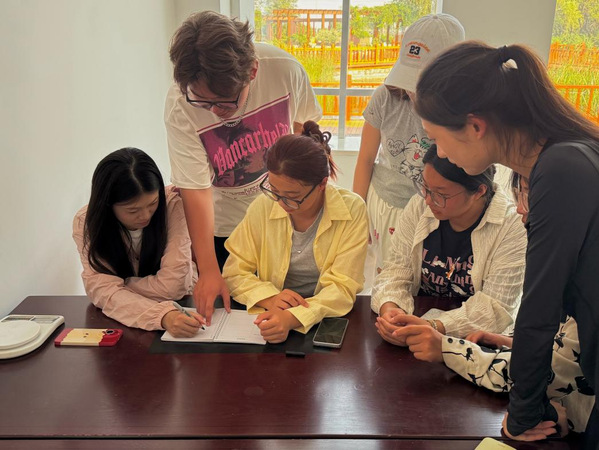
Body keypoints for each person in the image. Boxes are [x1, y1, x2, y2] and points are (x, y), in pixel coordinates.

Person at [414, 41, 599, 444]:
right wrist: (517, 346)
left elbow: (541, 302)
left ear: (475, 126)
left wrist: (523, 415)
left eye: (437, 138)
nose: (439, 152)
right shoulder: (552, 162)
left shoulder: (562, 168)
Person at [392, 174, 594, 437]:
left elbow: (534, 373)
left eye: (527, 195)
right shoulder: (573, 256)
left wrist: (445, 348)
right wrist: (512, 343)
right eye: (519, 193)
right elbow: (561, 344)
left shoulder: (586, 281)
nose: (520, 208)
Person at [165, 11, 322, 325]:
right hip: (226, 230)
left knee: (291, 313)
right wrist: (208, 270)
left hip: (284, 218)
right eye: (203, 102)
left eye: (224, 102)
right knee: (237, 321)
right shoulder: (180, 105)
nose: (215, 112)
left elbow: (304, 131)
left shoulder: (284, 70)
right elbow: (195, 190)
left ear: (252, 71)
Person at [222, 121, 368, 343]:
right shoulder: (263, 206)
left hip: (326, 319)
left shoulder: (352, 209)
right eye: (274, 190)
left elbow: (343, 286)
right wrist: (270, 298)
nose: (281, 203)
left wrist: (294, 317)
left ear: (322, 184)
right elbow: (234, 273)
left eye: (292, 196)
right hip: (273, 315)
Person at [371, 144, 527, 344]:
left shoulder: (511, 225)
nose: (428, 200)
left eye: (441, 195)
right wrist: (391, 309)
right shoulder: (419, 207)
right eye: (425, 187)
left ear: (479, 191)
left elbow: (495, 309)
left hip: (474, 343)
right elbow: (395, 270)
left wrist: (434, 327)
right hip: (417, 324)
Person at [352, 13, 464, 277]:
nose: (413, 92)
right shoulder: (385, 98)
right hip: (389, 204)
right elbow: (366, 159)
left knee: (429, 278)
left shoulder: (461, 109)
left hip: (438, 210)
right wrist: (358, 214)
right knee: (390, 275)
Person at [73, 148, 202, 337]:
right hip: (129, 323)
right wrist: (162, 316)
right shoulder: (86, 223)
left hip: (183, 304)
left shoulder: (172, 205)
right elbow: (102, 291)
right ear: (107, 205)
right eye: (132, 210)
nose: (145, 216)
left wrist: (119, 289)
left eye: (153, 203)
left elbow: (174, 285)